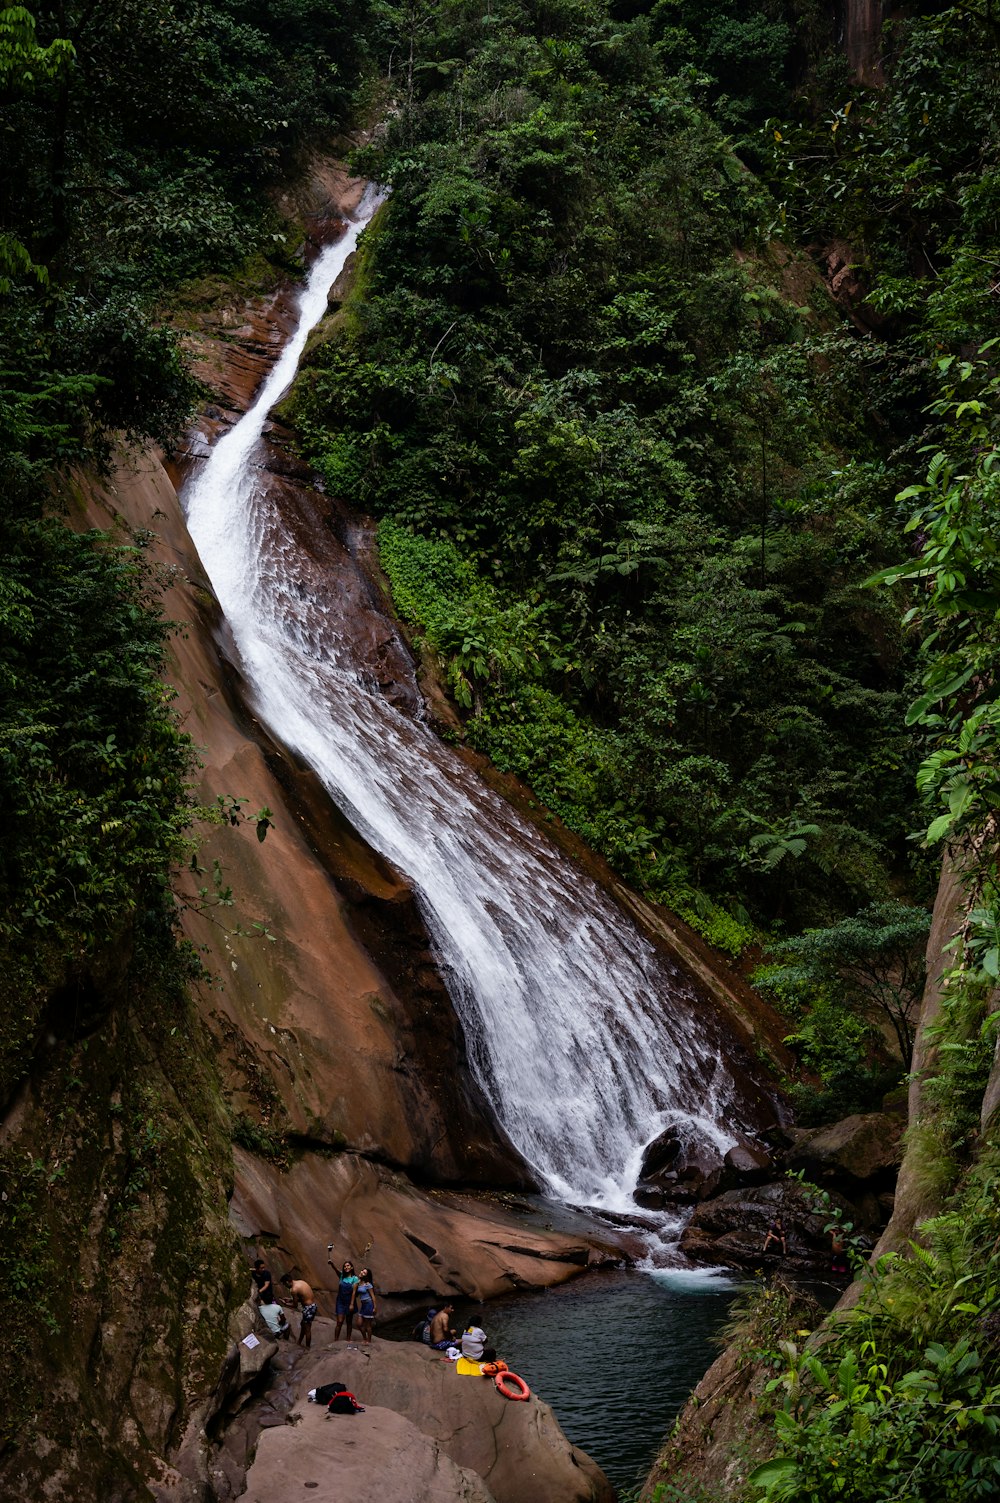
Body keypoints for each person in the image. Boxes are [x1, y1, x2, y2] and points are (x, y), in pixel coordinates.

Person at [282, 1274, 318, 1349]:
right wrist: (290, 1299)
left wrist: (286, 1304)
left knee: (307, 1329)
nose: (285, 1286)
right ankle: (299, 1342)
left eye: (285, 1284)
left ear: (287, 1282)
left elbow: (295, 1305)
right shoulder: (300, 1282)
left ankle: (308, 1348)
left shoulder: (294, 1289)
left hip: (308, 1308)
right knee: (303, 1324)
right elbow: (303, 1297)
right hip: (312, 1306)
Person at [333, 1260, 360, 1342]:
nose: (346, 1267)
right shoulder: (342, 1276)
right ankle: (336, 1340)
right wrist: (332, 1264)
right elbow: (336, 1270)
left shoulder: (355, 1278)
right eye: (345, 1266)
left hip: (350, 1301)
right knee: (339, 1322)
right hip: (340, 1301)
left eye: (348, 1266)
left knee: (349, 1321)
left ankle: (348, 1339)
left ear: (351, 1267)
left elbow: (354, 1292)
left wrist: (351, 1304)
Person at [352, 1266, 378, 1345]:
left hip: (369, 1305)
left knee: (368, 1325)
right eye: (362, 1271)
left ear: (366, 1275)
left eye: (364, 1272)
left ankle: (368, 1341)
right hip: (363, 1306)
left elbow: (373, 1296)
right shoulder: (358, 1282)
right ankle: (364, 1338)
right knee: (359, 1324)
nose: (362, 1272)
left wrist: (375, 1307)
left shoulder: (368, 1284)